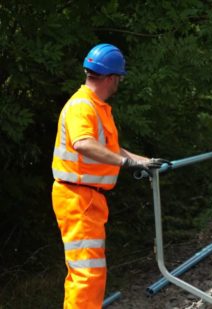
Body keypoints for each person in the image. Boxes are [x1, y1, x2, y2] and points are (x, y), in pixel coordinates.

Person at [51, 43, 170, 308]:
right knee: (87, 276)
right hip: (78, 198)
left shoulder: (95, 106)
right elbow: (83, 144)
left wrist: (144, 161)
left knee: (85, 274)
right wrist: (126, 162)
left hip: (86, 198)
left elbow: (110, 148)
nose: (119, 83)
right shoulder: (83, 106)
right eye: (120, 78)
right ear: (112, 77)